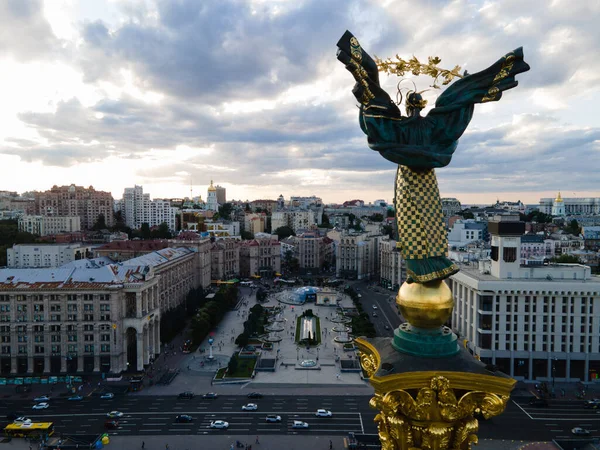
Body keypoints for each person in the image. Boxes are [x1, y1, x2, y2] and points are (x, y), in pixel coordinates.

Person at [337, 30, 529, 284]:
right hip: (427, 179)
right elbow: (456, 111)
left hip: (408, 179)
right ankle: (436, 261)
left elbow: (374, 111)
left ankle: (421, 269)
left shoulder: (400, 128)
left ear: (407, 107)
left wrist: (366, 75)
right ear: (422, 105)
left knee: (410, 221)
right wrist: (466, 87)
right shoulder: (435, 126)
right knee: (430, 217)